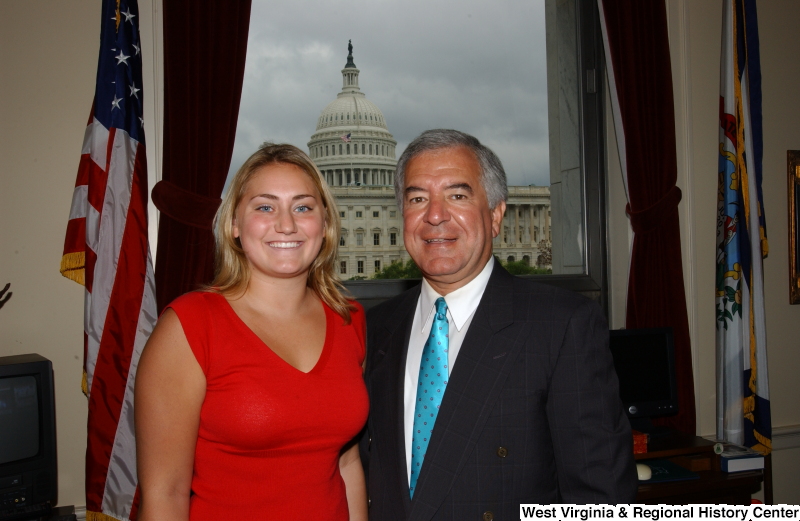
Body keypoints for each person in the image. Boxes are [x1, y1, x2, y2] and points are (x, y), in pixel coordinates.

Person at [362, 129, 637, 520]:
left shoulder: (561, 326)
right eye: (418, 198)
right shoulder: (375, 327)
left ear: (495, 215)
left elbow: (601, 499)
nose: (435, 215)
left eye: (457, 196)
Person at [135, 143, 369, 521]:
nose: (286, 224)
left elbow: (347, 464)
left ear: (324, 225)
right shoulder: (189, 327)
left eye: (303, 207)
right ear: (234, 225)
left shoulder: (349, 318)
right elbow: (165, 493)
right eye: (264, 207)